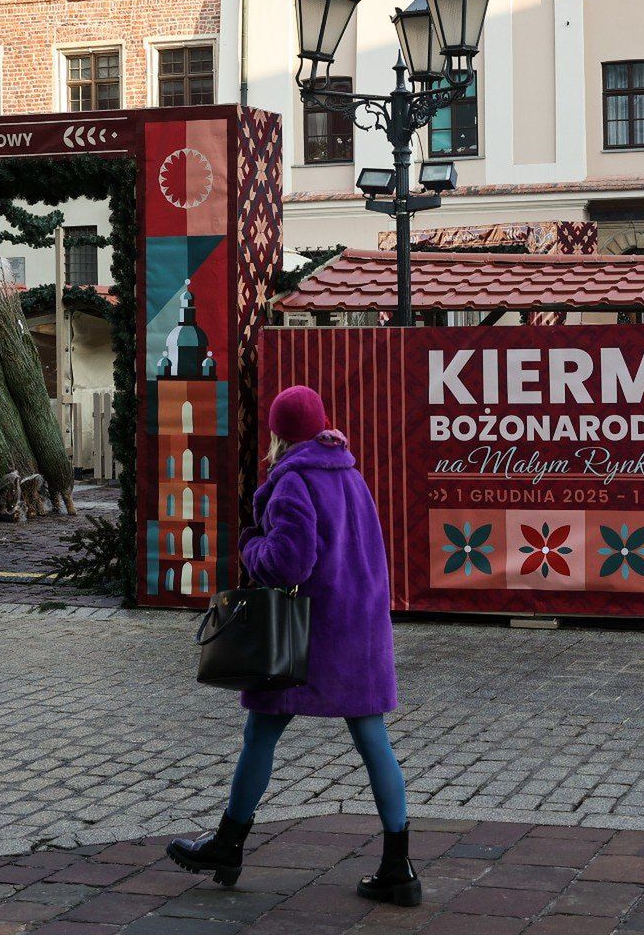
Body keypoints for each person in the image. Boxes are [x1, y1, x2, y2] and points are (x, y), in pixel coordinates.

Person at [167, 384, 418, 907]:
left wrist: (249, 543)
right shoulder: (348, 472)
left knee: (260, 732)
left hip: (305, 637)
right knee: (374, 740)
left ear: (277, 434)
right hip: (360, 628)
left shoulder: (293, 482)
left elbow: (288, 562)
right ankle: (399, 867)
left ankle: (228, 845)